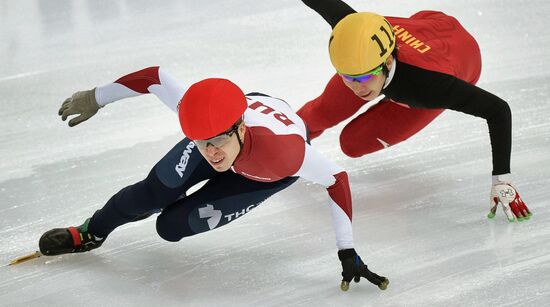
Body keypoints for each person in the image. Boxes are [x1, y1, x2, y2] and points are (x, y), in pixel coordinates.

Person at [39, 66, 388, 291]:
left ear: (239, 126)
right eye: (202, 143)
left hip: (260, 173)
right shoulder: (205, 126)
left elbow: (336, 178)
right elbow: (154, 78)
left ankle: (167, 200)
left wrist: (347, 249)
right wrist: (96, 97)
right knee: (152, 193)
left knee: (170, 227)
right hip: (234, 125)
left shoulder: (286, 155)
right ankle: (90, 232)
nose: (211, 152)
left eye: (218, 140)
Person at [268, 0, 531, 222]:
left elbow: (498, 110)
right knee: (319, 113)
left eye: (363, 78)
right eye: (347, 77)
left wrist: (502, 178)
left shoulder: (430, 87)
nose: (356, 87)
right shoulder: (355, 36)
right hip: (418, 31)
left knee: (353, 143)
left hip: (453, 59)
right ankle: (280, 144)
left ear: (386, 61)